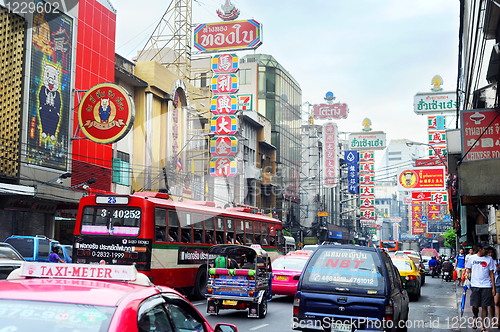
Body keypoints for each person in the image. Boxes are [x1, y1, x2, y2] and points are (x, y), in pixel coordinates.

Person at [465, 241, 496, 331]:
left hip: (486, 286)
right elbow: (468, 269)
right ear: (479, 249)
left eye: (487, 249)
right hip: (475, 285)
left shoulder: (489, 259)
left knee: (484, 306)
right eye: (485, 249)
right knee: (475, 306)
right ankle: (475, 317)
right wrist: (467, 275)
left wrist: (493, 288)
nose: (486, 250)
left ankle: (483, 326)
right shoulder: (472, 258)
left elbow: (492, 274)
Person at [488, 248, 500, 328]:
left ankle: (498, 320)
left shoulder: (498, 261)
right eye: (489, 253)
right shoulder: (486, 262)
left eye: (492, 253)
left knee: (497, 302)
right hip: (488, 284)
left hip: (497, 284)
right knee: (491, 303)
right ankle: (493, 320)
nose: (490, 254)